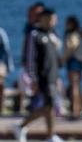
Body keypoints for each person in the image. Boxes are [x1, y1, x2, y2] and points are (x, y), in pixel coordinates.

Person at [14, 8, 64, 142]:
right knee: (50, 105)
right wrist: (32, 78)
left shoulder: (52, 35)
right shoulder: (35, 34)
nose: (53, 22)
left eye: (54, 19)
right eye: (51, 19)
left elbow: (57, 59)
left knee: (50, 106)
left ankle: (50, 135)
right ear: (43, 19)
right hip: (42, 77)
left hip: (53, 76)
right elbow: (30, 58)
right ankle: (25, 126)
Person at [17, 1, 46, 112]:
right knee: (34, 88)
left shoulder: (38, 30)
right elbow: (28, 48)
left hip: (41, 65)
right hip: (34, 64)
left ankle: (37, 108)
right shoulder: (31, 29)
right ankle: (36, 109)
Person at [61, 16, 82, 119]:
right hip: (80, 62)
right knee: (78, 87)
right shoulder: (80, 33)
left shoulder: (72, 34)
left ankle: (75, 111)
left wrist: (62, 59)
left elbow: (71, 47)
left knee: (74, 87)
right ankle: (79, 109)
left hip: (73, 62)